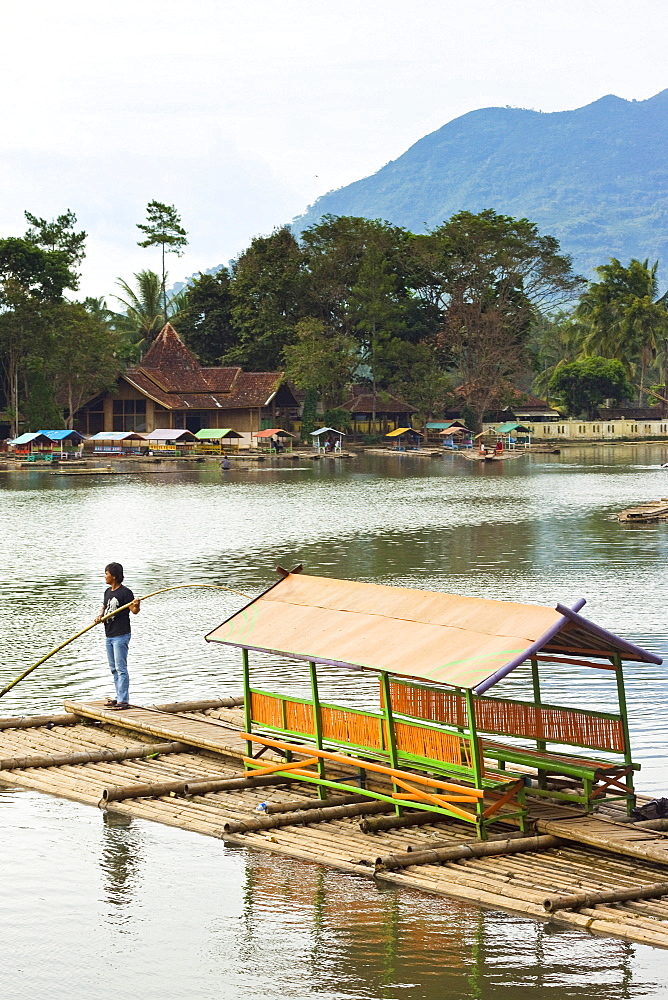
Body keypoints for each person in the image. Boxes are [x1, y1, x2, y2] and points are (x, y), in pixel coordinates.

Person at [94, 562, 140, 710]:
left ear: (113, 576)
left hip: (121, 635)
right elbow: (105, 607)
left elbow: (134, 611)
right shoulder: (108, 591)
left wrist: (136, 604)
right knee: (114, 668)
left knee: (121, 668)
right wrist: (100, 616)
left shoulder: (126, 593)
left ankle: (124, 700)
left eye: (106, 574)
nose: (105, 576)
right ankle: (118, 696)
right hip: (109, 634)